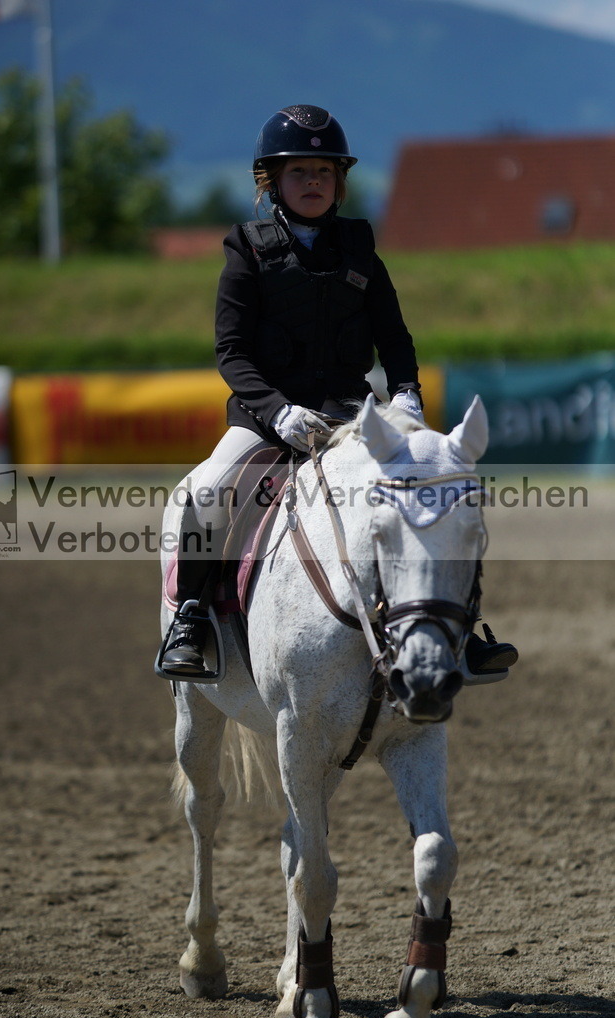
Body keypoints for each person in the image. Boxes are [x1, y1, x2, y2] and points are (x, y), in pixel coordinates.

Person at [158, 104, 518, 679]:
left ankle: (458, 628)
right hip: (265, 421)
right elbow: (232, 352)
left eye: (324, 171)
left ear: (340, 181)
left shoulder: (360, 249)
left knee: (427, 492)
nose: (313, 182)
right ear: (272, 181)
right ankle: (192, 618)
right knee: (206, 492)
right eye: (299, 172)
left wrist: (406, 393)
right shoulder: (246, 250)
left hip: (352, 419)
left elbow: (394, 338)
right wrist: (277, 413)